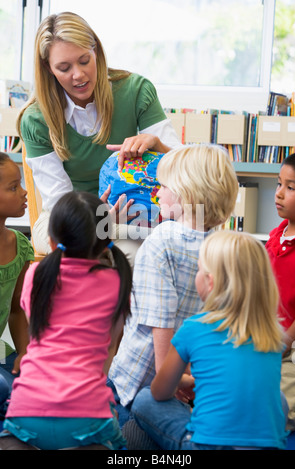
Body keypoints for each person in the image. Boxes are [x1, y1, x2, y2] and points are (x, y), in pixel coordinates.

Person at [18, 11, 181, 260]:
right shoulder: (36, 119)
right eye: (64, 67)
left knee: (161, 246)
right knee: (126, 252)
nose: (78, 75)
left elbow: (189, 170)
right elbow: (60, 201)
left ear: (96, 50)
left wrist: (158, 145)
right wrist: (102, 219)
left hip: (133, 211)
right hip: (67, 216)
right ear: (47, 68)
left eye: (84, 60)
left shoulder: (136, 91)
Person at [108, 144, 239, 426]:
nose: (156, 192)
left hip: (140, 381)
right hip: (186, 381)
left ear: (186, 194)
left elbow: (160, 321)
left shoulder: (163, 239)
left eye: (163, 186)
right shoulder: (220, 245)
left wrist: (166, 375)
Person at [130, 230, 288, 450]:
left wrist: (185, 382)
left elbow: (160, 392)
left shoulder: (194, 328)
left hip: (207, 446)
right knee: (277, 396)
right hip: (267, 446)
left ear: (210, 282)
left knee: (144, 399)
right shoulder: (273, 334)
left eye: (199, 270)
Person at [3, 191, 132, 450]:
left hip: (26, 412)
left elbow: (39, 332)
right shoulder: (118, 282)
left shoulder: (35, 275)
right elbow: (110, 351)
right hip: (87, 417)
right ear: (107, 239)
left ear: (51, 242)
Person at [265, 150, 295, 431]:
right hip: (267, 337)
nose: (278, 193)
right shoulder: (277, 234)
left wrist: (285, 342)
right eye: (279, 184)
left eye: (290, 188)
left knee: (281, 412)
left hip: (294, 347)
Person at [0, 152, 34, 414]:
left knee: (33, 387)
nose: (24, 193)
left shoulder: (21, 245)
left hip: (2, 351)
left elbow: (16, 309)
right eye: (14, 187)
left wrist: (24, 351)